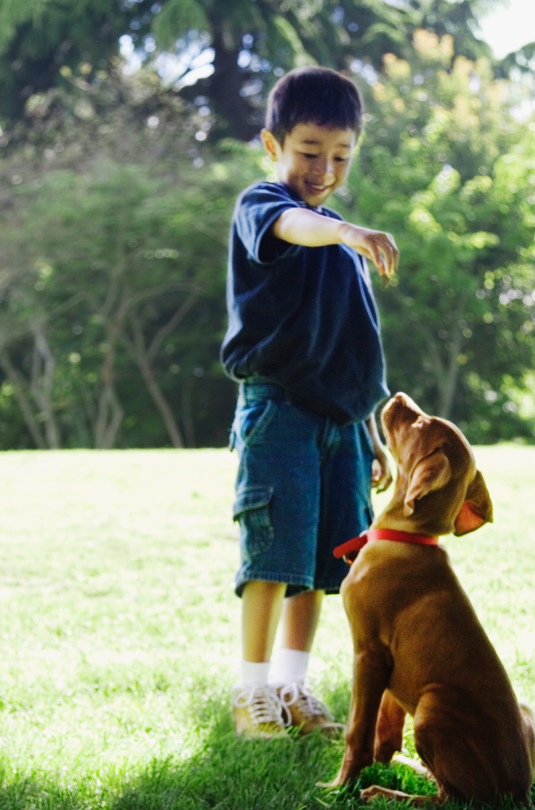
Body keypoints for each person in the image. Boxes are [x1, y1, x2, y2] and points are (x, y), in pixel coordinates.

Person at [221, 66, 399, 738]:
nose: (324, 169)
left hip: (342, 424)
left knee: (328, 562)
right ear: (274, 145)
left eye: (341, 156)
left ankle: (295, 685)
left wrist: (371, 431)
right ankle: (253, 692)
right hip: (280, 412)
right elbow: (294, 226)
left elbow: (356, 347)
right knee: (275, 555)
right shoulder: (265, 207)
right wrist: (346, 230)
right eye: (309, 152)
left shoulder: (344, 248)